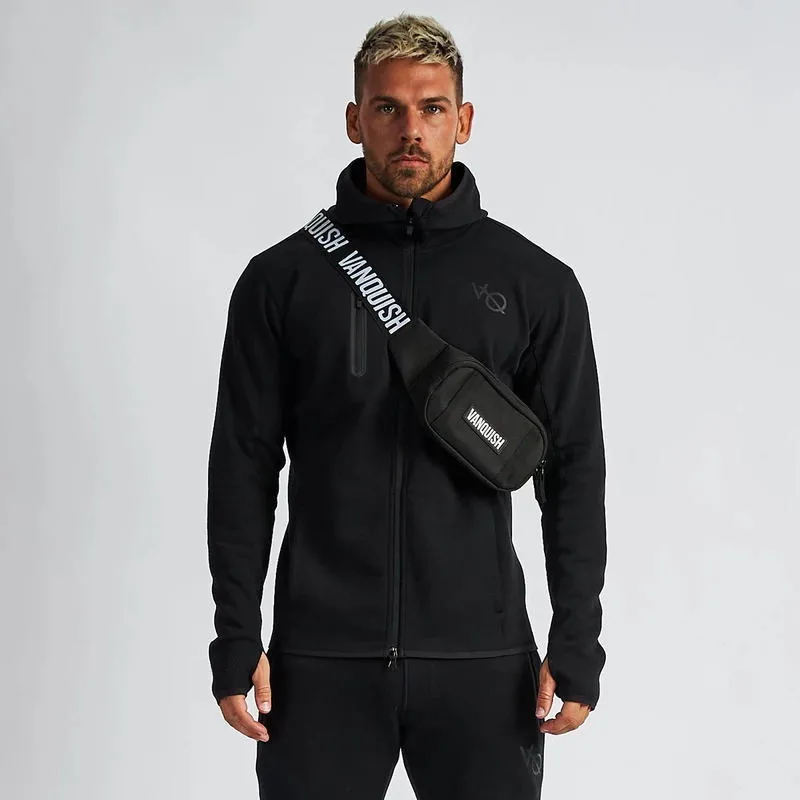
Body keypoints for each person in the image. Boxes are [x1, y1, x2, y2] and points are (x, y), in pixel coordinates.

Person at [206, 12, 607, 800]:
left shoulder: (537, 284)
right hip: (319, 660)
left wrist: (577, 637)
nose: (410, 130)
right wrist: (236, 633)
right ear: (355, 119)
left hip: (483, 662)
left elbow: (573, 469)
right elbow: (242, 466)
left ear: (464, 120)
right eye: (387, 108)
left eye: (431, 108)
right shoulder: (280, 282)